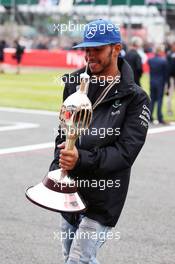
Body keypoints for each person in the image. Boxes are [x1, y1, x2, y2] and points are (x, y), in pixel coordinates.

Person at [49, 19, 150, 264]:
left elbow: (125, 153)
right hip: (70, 191)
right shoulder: (73, 82)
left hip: (104, 196)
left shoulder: (136, 98)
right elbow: (64, 132)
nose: (89, 55)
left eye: (97, 49)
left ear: (116, 49)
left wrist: (81, 159)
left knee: (79, 259)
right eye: (87, 49)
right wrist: (57, 169)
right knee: (68, 256)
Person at [148, 45, 168, 124]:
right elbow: (165, 74)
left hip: (152, 81)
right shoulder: (163, 61)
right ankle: (160, 117)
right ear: (160, 51)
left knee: (152, 99)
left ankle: (150, 116)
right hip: (160, 82)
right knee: (160, 100)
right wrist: (167, 84)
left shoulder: (151, 60)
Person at [166, 42, 175, 116]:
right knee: (170, 95)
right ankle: (169, 111)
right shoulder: (169, 55)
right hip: (171, 78)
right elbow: (168, 68)